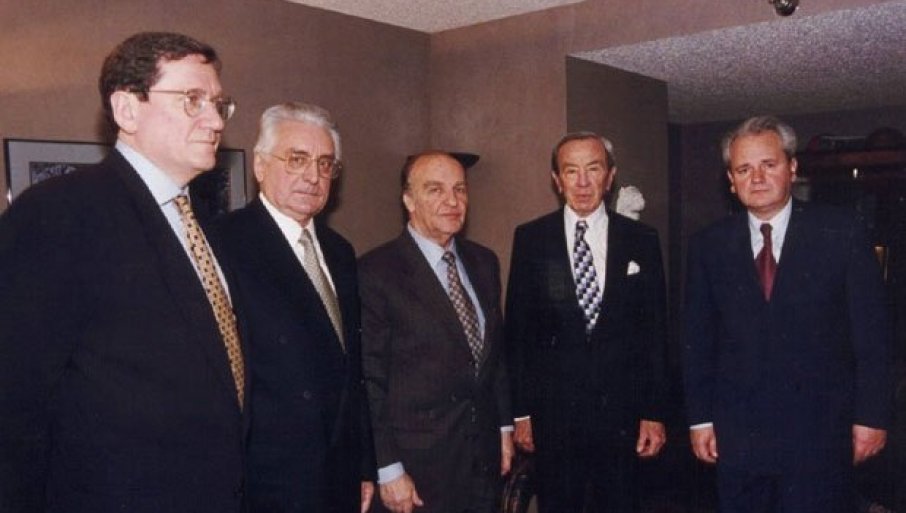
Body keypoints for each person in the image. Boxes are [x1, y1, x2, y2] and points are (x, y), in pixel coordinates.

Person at [0, 32, 245, 512]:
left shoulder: (205, 224)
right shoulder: (58, 213)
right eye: (192, 100)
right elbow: (15, 401)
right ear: (127, 109)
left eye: (219, 104)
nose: (216, 120)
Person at [682, 115, 891, 513]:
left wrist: (872, 417)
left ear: (792, 168)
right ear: (731, 180)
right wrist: (700, 421)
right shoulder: (708, 245)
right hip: (739, 439)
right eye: (744, 169)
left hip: (821, 436)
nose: (757, 177)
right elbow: (698, 341)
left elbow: (873, 336)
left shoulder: (841, 232)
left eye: (769, 164)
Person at [215, 102, 375, 513]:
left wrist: (363, 466)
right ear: (260, 165)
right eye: (297, 159)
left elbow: (353, 371)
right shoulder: (225, 244)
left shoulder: (340, 252)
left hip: (338, 477)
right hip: (265, 481)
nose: (313, 176)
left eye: (325, 164)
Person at [505, 132, 668, 513]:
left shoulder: (641, 239)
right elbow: (518, 333)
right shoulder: (531, 239)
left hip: (623, 417)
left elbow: (655, 332)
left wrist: (654, 413)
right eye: (571, 171)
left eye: (593, 169)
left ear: (609, 177)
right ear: (556, 179)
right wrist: (522, 413)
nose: (582, 182)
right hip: (554, 419)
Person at [359, 151, 514, 513]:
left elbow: (495, 357)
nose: (452, 200)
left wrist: (503, 428)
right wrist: (387, 468)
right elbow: (370, 380)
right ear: (408, 200)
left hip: (482, 462)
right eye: (435, 190)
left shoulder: (484, 262)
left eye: (460, 189)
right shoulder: (376, 272)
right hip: (417, 471)